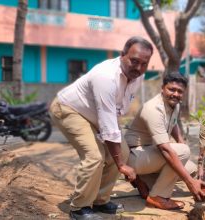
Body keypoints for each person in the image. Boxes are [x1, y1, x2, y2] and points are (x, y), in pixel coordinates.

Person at [49, 36, 153, 220]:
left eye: (143, 64)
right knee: (94, 157)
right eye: (134, 61)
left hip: (96, 113)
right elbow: (107, 121)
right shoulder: (105, 76)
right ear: (122, 55)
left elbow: (115, 112)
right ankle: (79, 208)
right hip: (70, 109)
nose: (138, 67)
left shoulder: (138, 76)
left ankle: (100, 200)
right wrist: (122, 165)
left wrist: (120, 160)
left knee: (121, 152)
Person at [124, 72, 205, 210]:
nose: (175, 94)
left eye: (179, 91)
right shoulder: (154, 109)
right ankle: (157, 197)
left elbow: (173, 123)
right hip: (133, 156)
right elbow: (165, 150)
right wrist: (190, 183)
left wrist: (180, 141)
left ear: (184, 93)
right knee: (182, 154)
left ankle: (143, 181)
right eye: (171, 89)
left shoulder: (174, 105)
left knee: (189, 167)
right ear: (162, 88)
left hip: (148, 154)